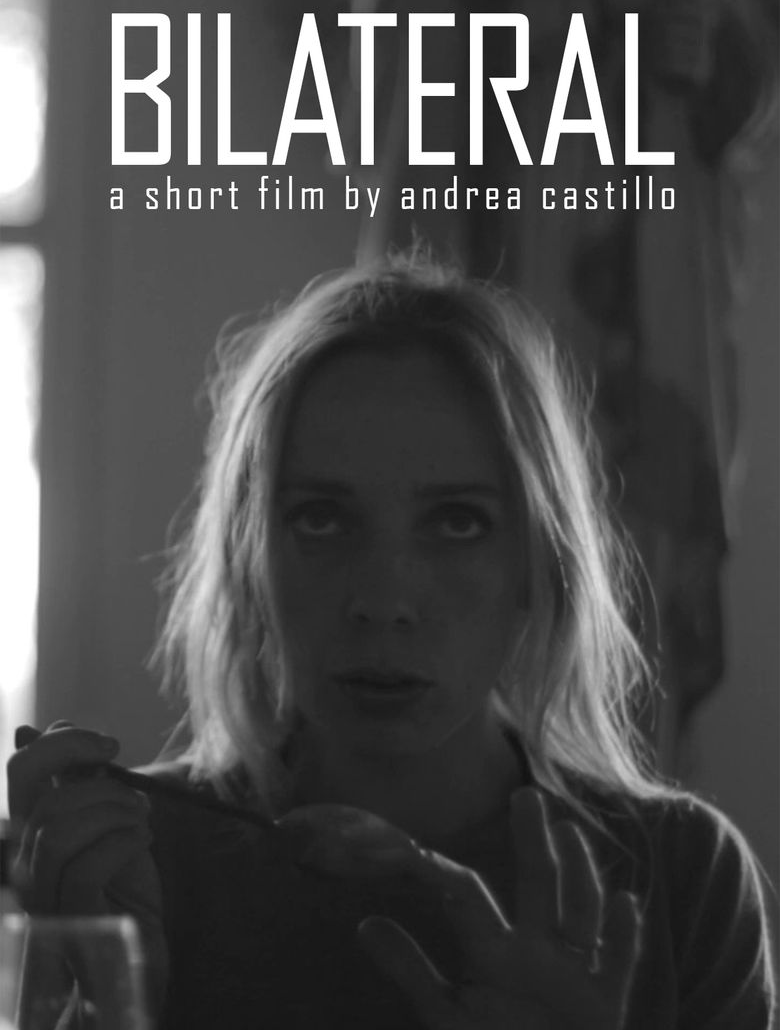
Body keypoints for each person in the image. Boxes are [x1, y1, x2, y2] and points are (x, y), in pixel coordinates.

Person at [6, 253, 776, 1029]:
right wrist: (101, 1000)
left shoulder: (680, 881)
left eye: (457, 522)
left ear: (540, 563)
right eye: (321, 518)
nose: (382, 601)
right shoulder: (128, 871)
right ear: (249, 560)